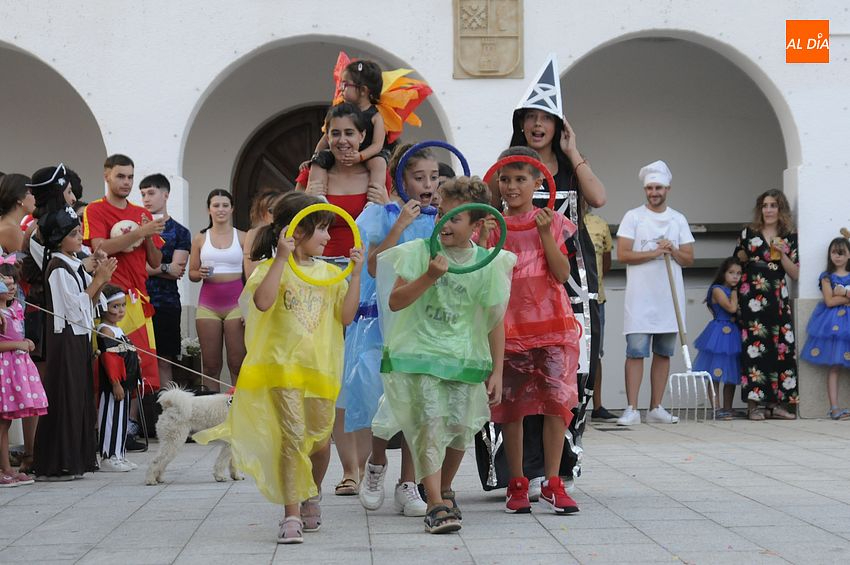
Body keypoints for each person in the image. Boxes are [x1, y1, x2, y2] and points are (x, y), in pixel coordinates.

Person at [194, 191, 363, 544]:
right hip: (281, 370)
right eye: (321, 230)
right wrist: (281, 259)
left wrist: (357, 273)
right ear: (296, 233)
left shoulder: (331, 274)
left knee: (318, 441)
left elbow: (346, 317)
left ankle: (311, 493)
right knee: (292, 439)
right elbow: (263, 301)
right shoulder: (269, 272)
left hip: (320, 370)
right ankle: (291, 514)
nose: (329, 238)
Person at [483, 54, 607, 495]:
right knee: (515, 375)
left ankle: (557, 471)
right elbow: (480, 211)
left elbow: (600, 197)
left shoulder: (570, 165)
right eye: (530, 118)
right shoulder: (506, 171)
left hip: (570, 282)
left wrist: (574, 153)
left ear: (558, 125)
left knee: (569, 376)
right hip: (514, 289)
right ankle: (520, 471)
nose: (538, 125)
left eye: (546, 118)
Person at [377, 176, 515, 533]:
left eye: (454, 218)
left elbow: (494, 320)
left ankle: (445, 486)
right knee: (431, 424)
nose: (444, 223)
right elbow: (396, 301)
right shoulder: (420, 252)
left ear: (477, 224)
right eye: (441, 214)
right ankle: (435, 503)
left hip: (465, 359)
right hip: (423, 354)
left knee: (459, 432)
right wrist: (427, 276)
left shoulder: (488, 263)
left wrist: (497, 370)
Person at [480, 147, 580, 515]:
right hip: (509, 329)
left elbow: (562, 274)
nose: (510, 187)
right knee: (513, 409)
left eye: (520, 179)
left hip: (552, 326)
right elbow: (483, 276)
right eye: (505, 179)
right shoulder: (492, 226)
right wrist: (483, 239)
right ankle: (517, 482)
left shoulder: (551, 220)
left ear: (539, 181)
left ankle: (553, 482)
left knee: (555, 403)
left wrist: (546, 236)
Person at [298, 103, 388, 495]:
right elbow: (304, 218)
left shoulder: (376, 168)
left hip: (363, 276)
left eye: (350, 133)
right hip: (323, 275)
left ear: (364, 136)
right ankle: (348, 468)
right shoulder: (319, 169)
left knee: (363, 375)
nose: (343, 141)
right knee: (333, 374)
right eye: (335, 133)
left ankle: (368, 465)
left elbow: (384, 212)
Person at [350, 143, 438, 517]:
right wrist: (399, 223)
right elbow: (372, 266)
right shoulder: (381, 214)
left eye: (434, 177)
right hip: (383, 320)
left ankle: (408, 483)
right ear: (401, 179)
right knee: (381, 396)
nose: (428, 184)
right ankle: (375, 466)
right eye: (419, 177)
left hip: (423, 320)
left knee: (418, 400)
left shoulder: (441, 217)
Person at [32, 206, 117, 480]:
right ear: (58, 239)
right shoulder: (58, 268)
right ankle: (58, 463)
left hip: (79, 338)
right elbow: (72, 308)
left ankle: (77, 459)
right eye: (73, 233)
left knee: (79, 396)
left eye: (80, 231)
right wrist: (99, 280)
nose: (80, 236)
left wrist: (101, 281)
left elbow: (92, 303)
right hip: (65, 339)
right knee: (65, 397)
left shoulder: (74, 264)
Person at [616, 160, 695, 426]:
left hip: (668, 299)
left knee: (663, 352)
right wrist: (654, 252)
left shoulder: (678, 219)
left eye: (658, 187)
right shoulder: (633, 217)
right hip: (640, 297)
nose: (654, 192)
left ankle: (656, 407)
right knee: (636, 351)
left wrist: (672, 250)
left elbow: (688, 258)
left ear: (668, 188)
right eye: (649, 187)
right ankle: (631, 408)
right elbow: (623, 254)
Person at [83, 154, 164, 395]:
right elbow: (100, 248)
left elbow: (156, 261)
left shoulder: (142, 213)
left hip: (138, 297)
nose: (126, 182)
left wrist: (147, 235)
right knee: (109, 364)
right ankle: (104, 426)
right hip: (109, 295)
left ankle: (130, 425)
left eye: (130, 177)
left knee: (139, 365)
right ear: (106, 175)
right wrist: (141, 231)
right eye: (120, 176)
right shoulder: (95, 209)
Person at [735, 189, 799, 420]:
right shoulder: (748, 233)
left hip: (777, 299)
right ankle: (754, 405)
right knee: (754, 351)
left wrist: (782, 254)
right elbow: (736, 265)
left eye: (773, 205)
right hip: (752, 298)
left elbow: (795, 274)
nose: (769, 210)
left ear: (781, 209)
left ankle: (778, 404)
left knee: (780, 349)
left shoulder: (789, 236)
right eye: (765, 205)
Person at [188, 189, 245, 391]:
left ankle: (238, 409)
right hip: (208, 304)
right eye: (216, 205)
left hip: (236, 304)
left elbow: (253, 274)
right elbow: (191, 274)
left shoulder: (243, 237)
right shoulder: (200, 238)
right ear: (208, 210)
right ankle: (211, 413)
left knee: (237, 363)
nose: (220, 209)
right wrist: (199, 272)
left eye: (225, 205)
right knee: (210, 365)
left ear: (232, 209)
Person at [141, 174, 191, 390]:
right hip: (138, 301)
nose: (146, 199)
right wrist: (163, 267)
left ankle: (168, 413)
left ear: (166, 194)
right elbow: (136, 267)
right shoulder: (135, 228)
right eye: (143, 194)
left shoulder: (180, 231)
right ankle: (139, 416)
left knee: (164, 360)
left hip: (166, 303)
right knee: (139, 359)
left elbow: (176, 270)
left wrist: (153, 269)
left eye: (151, 193)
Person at [309, 60, 389, 193]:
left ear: (363, 90)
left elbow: (377, 145)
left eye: (345, 84)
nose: (340, 88)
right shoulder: (339, 113)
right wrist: (314, 157)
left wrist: (361, 156)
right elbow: (325, 139)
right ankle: (318, 194)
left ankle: (375, 196)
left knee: (379, 162)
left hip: (367, 154)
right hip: (339, 155)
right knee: (318, 162)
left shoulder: (376, 116)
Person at [0, 268, 46, 487]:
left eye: (13, 285)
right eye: (5, 285)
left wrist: (25, 341)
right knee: (1, 423)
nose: (11, 289)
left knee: (6, 421)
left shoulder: (16, 308)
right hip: (3, 370)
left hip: (15, 369)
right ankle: (4, 469)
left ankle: (8, 468)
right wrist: (19, 344)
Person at [801, 237, 850, 419]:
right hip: (834, 326)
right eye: (834, 252)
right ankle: (834, 408)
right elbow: (829, 301)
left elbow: (836, 297)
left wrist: (843, 292)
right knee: (835, 366)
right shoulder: (826, 277)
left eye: (842, 252)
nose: (837, 256)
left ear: (849, 255)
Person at [96, 284, 142, 472]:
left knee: (122, 421)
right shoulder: (106, 330)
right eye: (115, 306)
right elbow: (110, 359)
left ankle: (119, 454)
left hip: (125, 383)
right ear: (104, 307)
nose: (121, 310)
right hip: (114, 385)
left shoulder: (118, 330)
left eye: (123, 305)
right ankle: (108, 456)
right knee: (110, 419)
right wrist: (115, 384)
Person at [693, 257, 743, 420]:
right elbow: (731, 307)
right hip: (719, 332)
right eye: (731, 273)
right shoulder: (717, 289)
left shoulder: (735, 289)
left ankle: (728, 407)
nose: (735, 276)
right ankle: (716, 408)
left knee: (731, 371)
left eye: (739, 273)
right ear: (723, 273)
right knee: (715, 372)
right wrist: (735, 294)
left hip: (733, 332)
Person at [584, 206, 616, 422]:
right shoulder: (559, 218)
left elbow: (606, 262)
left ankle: (598, 406)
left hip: (596, 298)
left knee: (596, 353)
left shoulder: (600, 224)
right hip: (568, 298)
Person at [243, 187, 285, 280]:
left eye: (280, 209)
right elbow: (250, 273)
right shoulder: (254, 234)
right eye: (271, 210)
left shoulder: (287, 232)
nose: (276, 214)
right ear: (261, 213)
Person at [0, 174, 35, 253]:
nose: (36, 197)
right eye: (32, 193)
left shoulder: (6, 223)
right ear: (19, 198)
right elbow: (24, 262)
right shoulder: (11, 230)